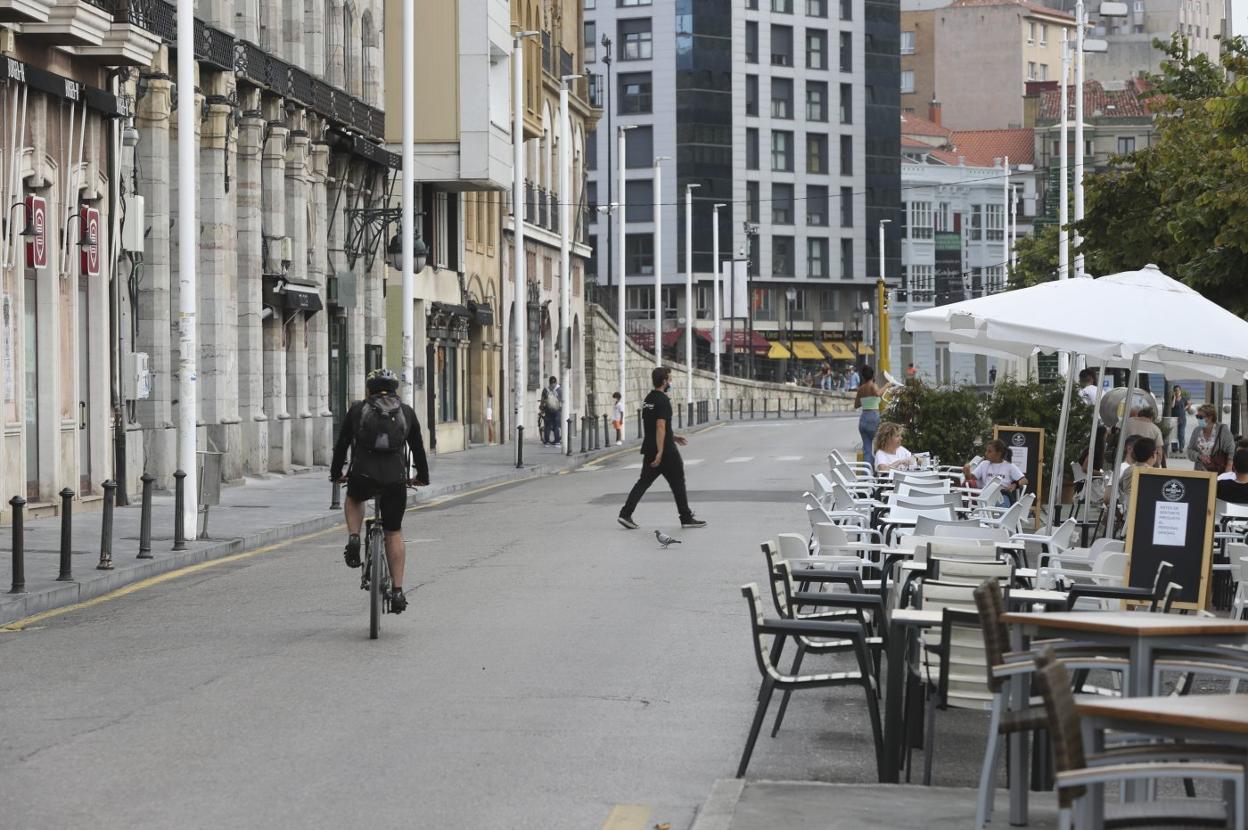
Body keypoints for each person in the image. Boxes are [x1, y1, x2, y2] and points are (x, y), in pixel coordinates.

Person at [330, 368, 430, 615]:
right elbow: (418, 448)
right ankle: (397, 590)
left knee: (354, 497)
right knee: (393, 532)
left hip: (363, 475)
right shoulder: (406, 412)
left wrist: (336, 473)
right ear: (395, 390)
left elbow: (342, 444)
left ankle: (353, 537)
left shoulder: (357, 410)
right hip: (395, 480)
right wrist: (422, 477)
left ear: (369, 389)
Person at [618, 366, 706, 530]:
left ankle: (625, 514)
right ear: (664, 381)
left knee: (643, 482)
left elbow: (652, 427)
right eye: (670, 379)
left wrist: (673, 435)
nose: (671, 382)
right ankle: (686, 517)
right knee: (678, 482)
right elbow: (659, 426)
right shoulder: (663, 400)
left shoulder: (648, 399)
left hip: (650, 448)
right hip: (665, 451)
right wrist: (661, 451)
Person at [964, 439, 1027, 506]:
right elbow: (970, 478)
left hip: (1002, 495)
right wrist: (967, 472)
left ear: (998, 453)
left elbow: (1024, 480)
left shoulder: (1009, 466)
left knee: (1001, 502)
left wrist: (1014, 485)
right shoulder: (984, 464)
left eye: (989, 451)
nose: (986, 453)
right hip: (986, 496)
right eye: (986, 451)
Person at [854, 365, 890, 469]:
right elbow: (878, 394)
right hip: (873, 417)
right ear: (872, 375)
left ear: (863, 376)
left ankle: (866, 476)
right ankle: (878, 472)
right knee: (879, 446)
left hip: (863, 419)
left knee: (867, 450)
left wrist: (866, 400)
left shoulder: (861, 388)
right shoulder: (873, 385)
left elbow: (856, 405)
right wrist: (887, 385)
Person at [1187, 403, 1234, 473]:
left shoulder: (1222, 429)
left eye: (1201, 417)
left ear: (1210, 417)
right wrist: (1199, 456)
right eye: (1197, 416)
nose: (1198, 419)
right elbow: (1189, 450)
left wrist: (1229, 467)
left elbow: (1231, 450)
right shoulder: (1197, 431)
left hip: (1219, 471)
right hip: (1200, 471)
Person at [541, 375, 563, 446]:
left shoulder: (545, 389)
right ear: (556, 382)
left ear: (549, 382)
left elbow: (542, 400)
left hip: (548, 410)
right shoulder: (560, 389)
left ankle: (546, 442)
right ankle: (557, 442)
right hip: (557, 410)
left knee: (548, 426)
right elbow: (562, 400)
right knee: (556, 426)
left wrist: (542, 408)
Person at [1169, 385, 1188, 453]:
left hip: (1182, 419)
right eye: (1175, 390)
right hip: (1174, 419)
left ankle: (1181, 447)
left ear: (1180, 391)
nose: (1177, 392)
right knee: (1174, 434)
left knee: (1181, 434)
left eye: (1178, 390)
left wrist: (1185, 409)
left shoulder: (1183, 399)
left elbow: (1187, 406)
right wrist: (1174, 397)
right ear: (1174, 391)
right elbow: (1172, 406)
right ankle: (1174, 448)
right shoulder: (1171, 398)